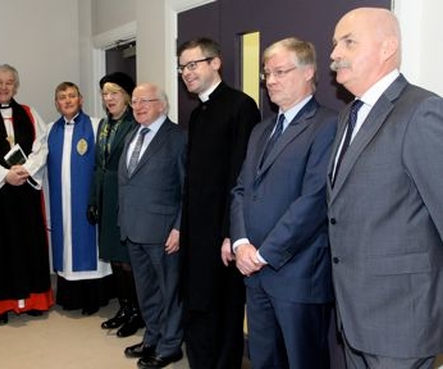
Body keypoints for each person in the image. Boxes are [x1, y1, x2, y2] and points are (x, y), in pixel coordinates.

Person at [328, 8, 443, 368]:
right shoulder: (349, 115)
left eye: (348, 42)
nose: (334, 54)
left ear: (386, 47)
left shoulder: (421, 111)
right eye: (335, 44)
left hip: (401, 322)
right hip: (353, 317)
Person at [227, 38, 336, 368]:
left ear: (308, 73)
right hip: (254, 271)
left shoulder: (328, 125)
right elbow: (241, 190)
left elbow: (313, 201)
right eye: (266, 74)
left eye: (279, 72)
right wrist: (242, 243)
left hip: (298, 274)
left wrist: (263, 254)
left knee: (304, 361)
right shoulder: (261, 130)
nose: (270, 80)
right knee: (264, 358)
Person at [177, 37, 260, 369]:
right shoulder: (197, 114)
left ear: (216, 63)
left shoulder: (241, 106)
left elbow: (241, 176)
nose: (186, 72)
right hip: (196, 230)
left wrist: (231, 233)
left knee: (224, 308)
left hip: (223, 232)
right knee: (197, 304)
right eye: (182, 67)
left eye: (193, 64)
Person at [0, 64, 53, 325]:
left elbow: (41, 147)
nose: (4, 87)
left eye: (9, 82)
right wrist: (5, 175)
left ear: (16, 86)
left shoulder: (29, 112)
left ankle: (34, 300)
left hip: (25, 189)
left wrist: (24, 170)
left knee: (30, 243)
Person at [119, 83, 186, 369]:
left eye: (145, 100)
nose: (138, 106)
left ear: (163, 104)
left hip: (164, 232)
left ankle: (171, 346)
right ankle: (153, 337)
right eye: (134, 101)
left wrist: (180, 227)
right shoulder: (132, 135)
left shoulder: (178, 137)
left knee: (170, 292)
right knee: (146, 291)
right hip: (133, 229)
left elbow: (188, 188)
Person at [46, 82, 113, 315]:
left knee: (90, 247)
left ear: (81, 99)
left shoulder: (96, 126)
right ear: (56, 103)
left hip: (87, 201)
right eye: (62, 97)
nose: (67, 100)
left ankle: (93, 297)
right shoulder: (49, 131)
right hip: (60, 203)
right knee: (66, 249)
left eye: (72, 96)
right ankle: (71, 297)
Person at [88, 72, 144, 337]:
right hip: (105, 198)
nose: (108, 98)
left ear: (127, 96)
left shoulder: (136, 125)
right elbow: (98, 167)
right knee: (113, 258)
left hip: (125, 201)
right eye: (104, 93)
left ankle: (138, 313)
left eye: (114, 92)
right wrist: (93, 200)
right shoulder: (104, 126)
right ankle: (124, 308)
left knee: (128, 261)